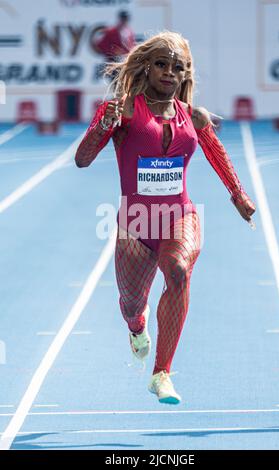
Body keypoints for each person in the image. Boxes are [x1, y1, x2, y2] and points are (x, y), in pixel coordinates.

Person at [75, 31, 256, 405]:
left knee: (177, 269)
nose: (170, 72)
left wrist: (238, 194)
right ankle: (136, 326)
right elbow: (83, 158)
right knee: (130, 303)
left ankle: (162, 374)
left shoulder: (194, 116)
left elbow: (217, 155)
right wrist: (103, 125)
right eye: (162, 64)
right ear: (146, 66)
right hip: (135, 226)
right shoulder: (124, 109)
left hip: (180, 216)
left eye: (179, 67)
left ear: (186, 74)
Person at [94, 10, 135, 79]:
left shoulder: (129, 31)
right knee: (116, 83)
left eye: (126, 19)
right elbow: (100, 45)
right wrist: (113, 52)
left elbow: (131, 46)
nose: (124, 21)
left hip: (126, 63)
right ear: (120, 19)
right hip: (114, 63)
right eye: (123, 18)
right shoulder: (111, 31)